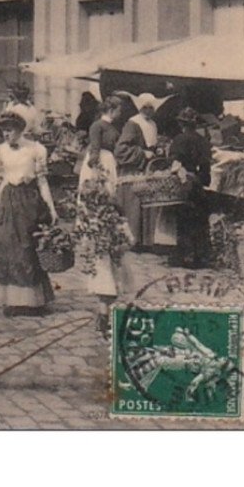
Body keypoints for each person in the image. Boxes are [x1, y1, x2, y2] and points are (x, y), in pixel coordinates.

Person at [0, 111, 57, 317]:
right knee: (7, 247)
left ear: (21, 130)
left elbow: (42, 181)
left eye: (10, 130)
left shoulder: (36, 150)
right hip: (8, 202)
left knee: (28, 248)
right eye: (3, 130)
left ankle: (32, 301)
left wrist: (51, 208)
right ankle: (12, 301)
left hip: (29, 203)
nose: (5, 134)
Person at [76, 96, 133, 335]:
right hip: (99, 167)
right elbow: (95, 153)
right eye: (119, 109)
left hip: (111, 164)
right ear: (111, 108)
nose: (121, 113)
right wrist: (99, 182)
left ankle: (107, 306)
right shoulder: (97, 126)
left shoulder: (113, 127)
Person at [169, 107, 212, 268]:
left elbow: (175, 162)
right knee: (200, 219)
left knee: (184, 219)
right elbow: (206, 166)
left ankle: (185, 256)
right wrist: (203, 180)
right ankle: (201, 257)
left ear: (182, 124)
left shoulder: (179, 139)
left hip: (184, 179)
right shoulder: (203, 141)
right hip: (199, 181)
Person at [114, 92, 159, 246]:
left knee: (145, 203)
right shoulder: (132, 124)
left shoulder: (152, 124)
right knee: (133, 205)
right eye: (145, 107)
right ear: (140, 107)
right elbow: (120, 150)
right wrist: (142, 153)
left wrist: (156, 150)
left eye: (151, 108)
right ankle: (131, 239)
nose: (148, 110)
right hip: (133, 170)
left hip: (146, 169)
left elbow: (151, 145)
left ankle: (143, 240)